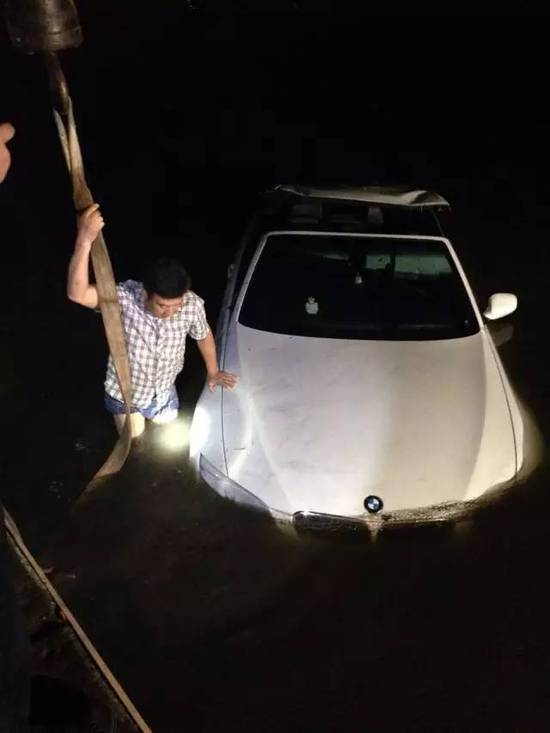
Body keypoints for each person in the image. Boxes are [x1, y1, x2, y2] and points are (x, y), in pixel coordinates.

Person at [67, 204, 238, 436]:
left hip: (163, 391)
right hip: (126, 395)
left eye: (176, 305)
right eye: (162, 306)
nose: (170, 312)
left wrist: (213, 371)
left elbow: (203, 334)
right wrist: (85, 240)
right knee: (134, 439)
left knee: (168, 426)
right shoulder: (125, 298)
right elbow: (77, 293)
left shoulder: (191, 305)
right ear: (146, 293)